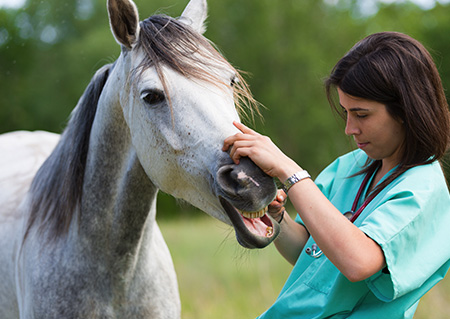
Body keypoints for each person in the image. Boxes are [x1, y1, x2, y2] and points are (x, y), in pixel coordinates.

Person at [223, 32, 450, 318]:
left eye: (362, 114)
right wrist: (276, 216)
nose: (350, 128)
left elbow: (358, 262)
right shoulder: (352, 164)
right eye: (346, 113)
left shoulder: (422, 189)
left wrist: (289, 170)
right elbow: (309, 255)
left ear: (406, 109)